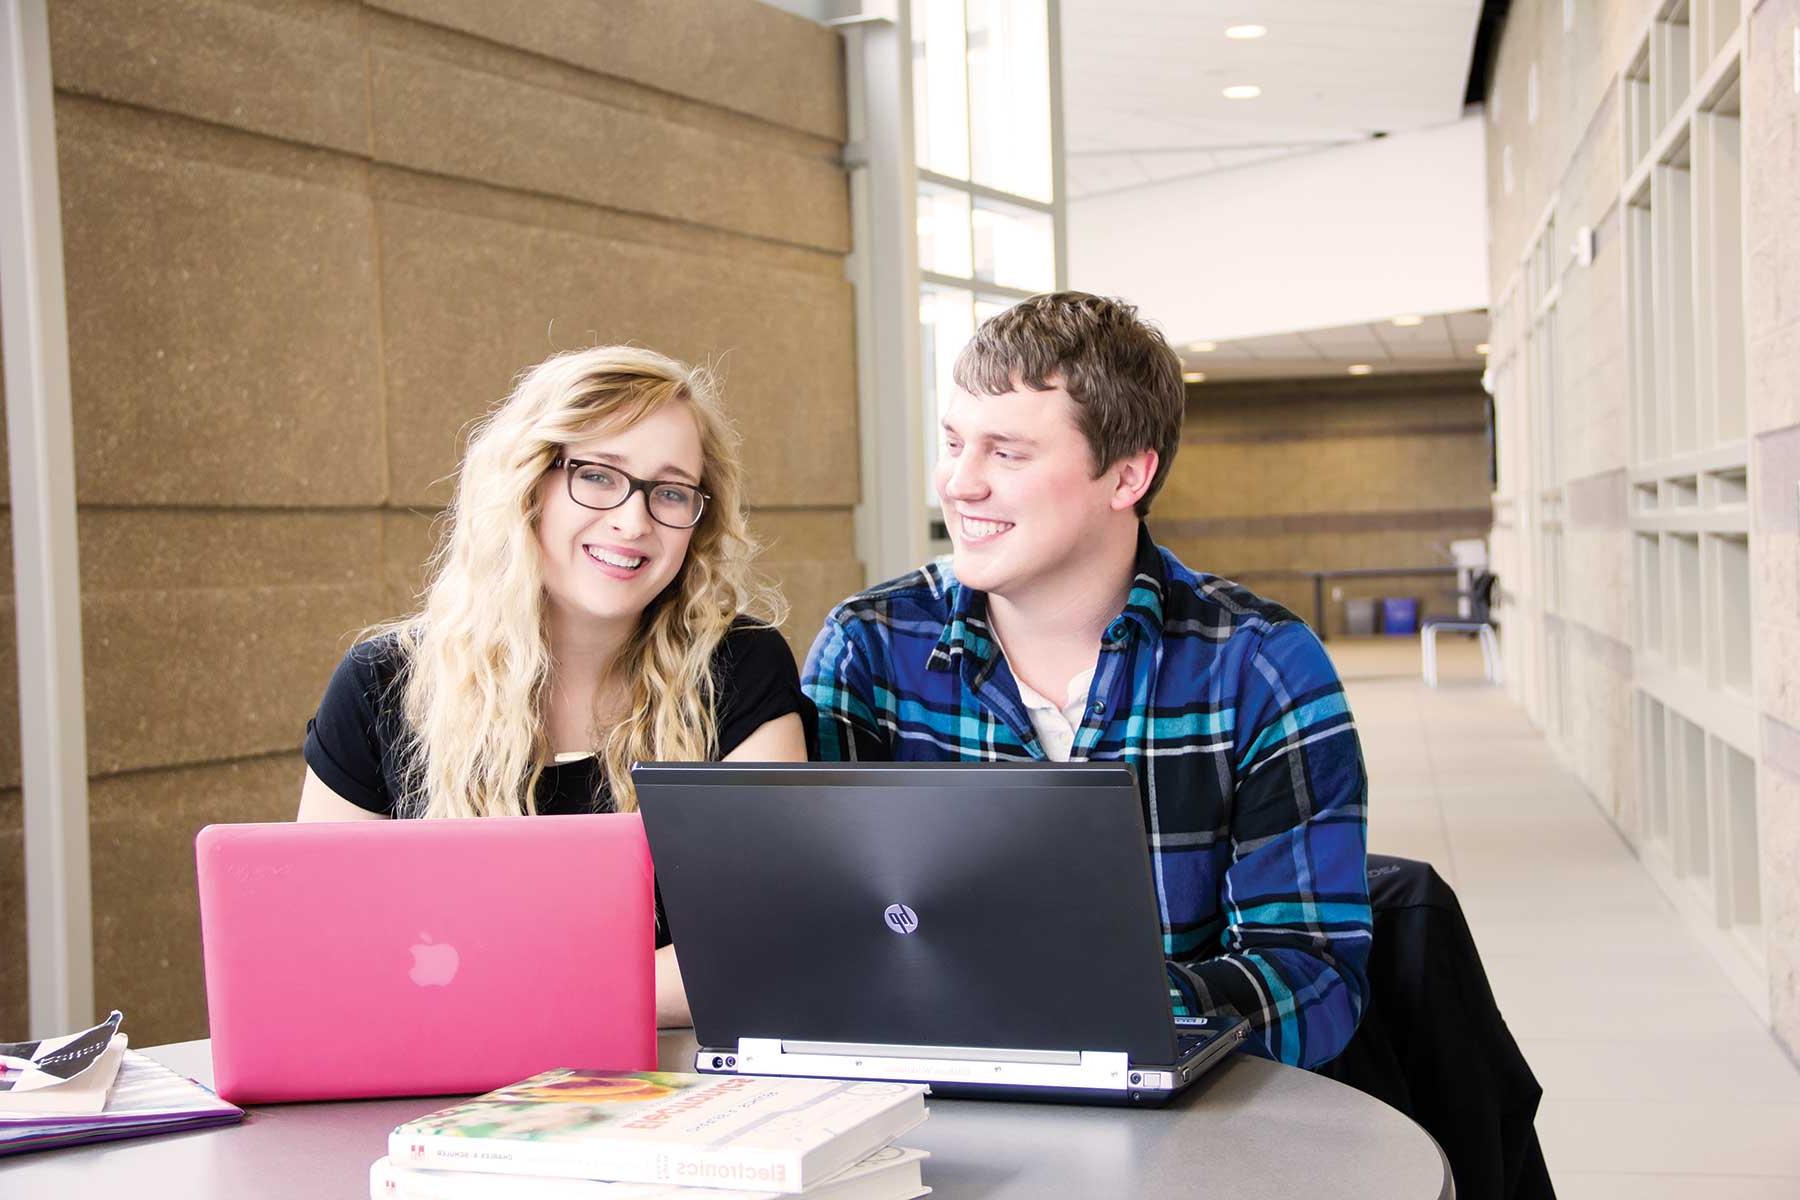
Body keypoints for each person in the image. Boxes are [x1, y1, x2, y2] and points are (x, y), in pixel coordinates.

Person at [802, 293, 1371, 1069]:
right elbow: (817, 936)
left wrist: (1087, 1010)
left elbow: (1316, 976)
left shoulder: (1261, 666)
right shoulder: (868, 647)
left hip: (1182, 1124)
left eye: (1006, 452)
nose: (959, 484)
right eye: (954, 442)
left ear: (1127, 476)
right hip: (926, 1115)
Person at [300, 346, 811, 1028]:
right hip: (439, 1080)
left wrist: (491, 992)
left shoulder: (742, 669)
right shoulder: (383, 685)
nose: (634, 521)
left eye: (669, 491)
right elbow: (320, 946)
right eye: (598, 477)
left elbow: (759, 944)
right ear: (527, 485)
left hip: (673, 1087)